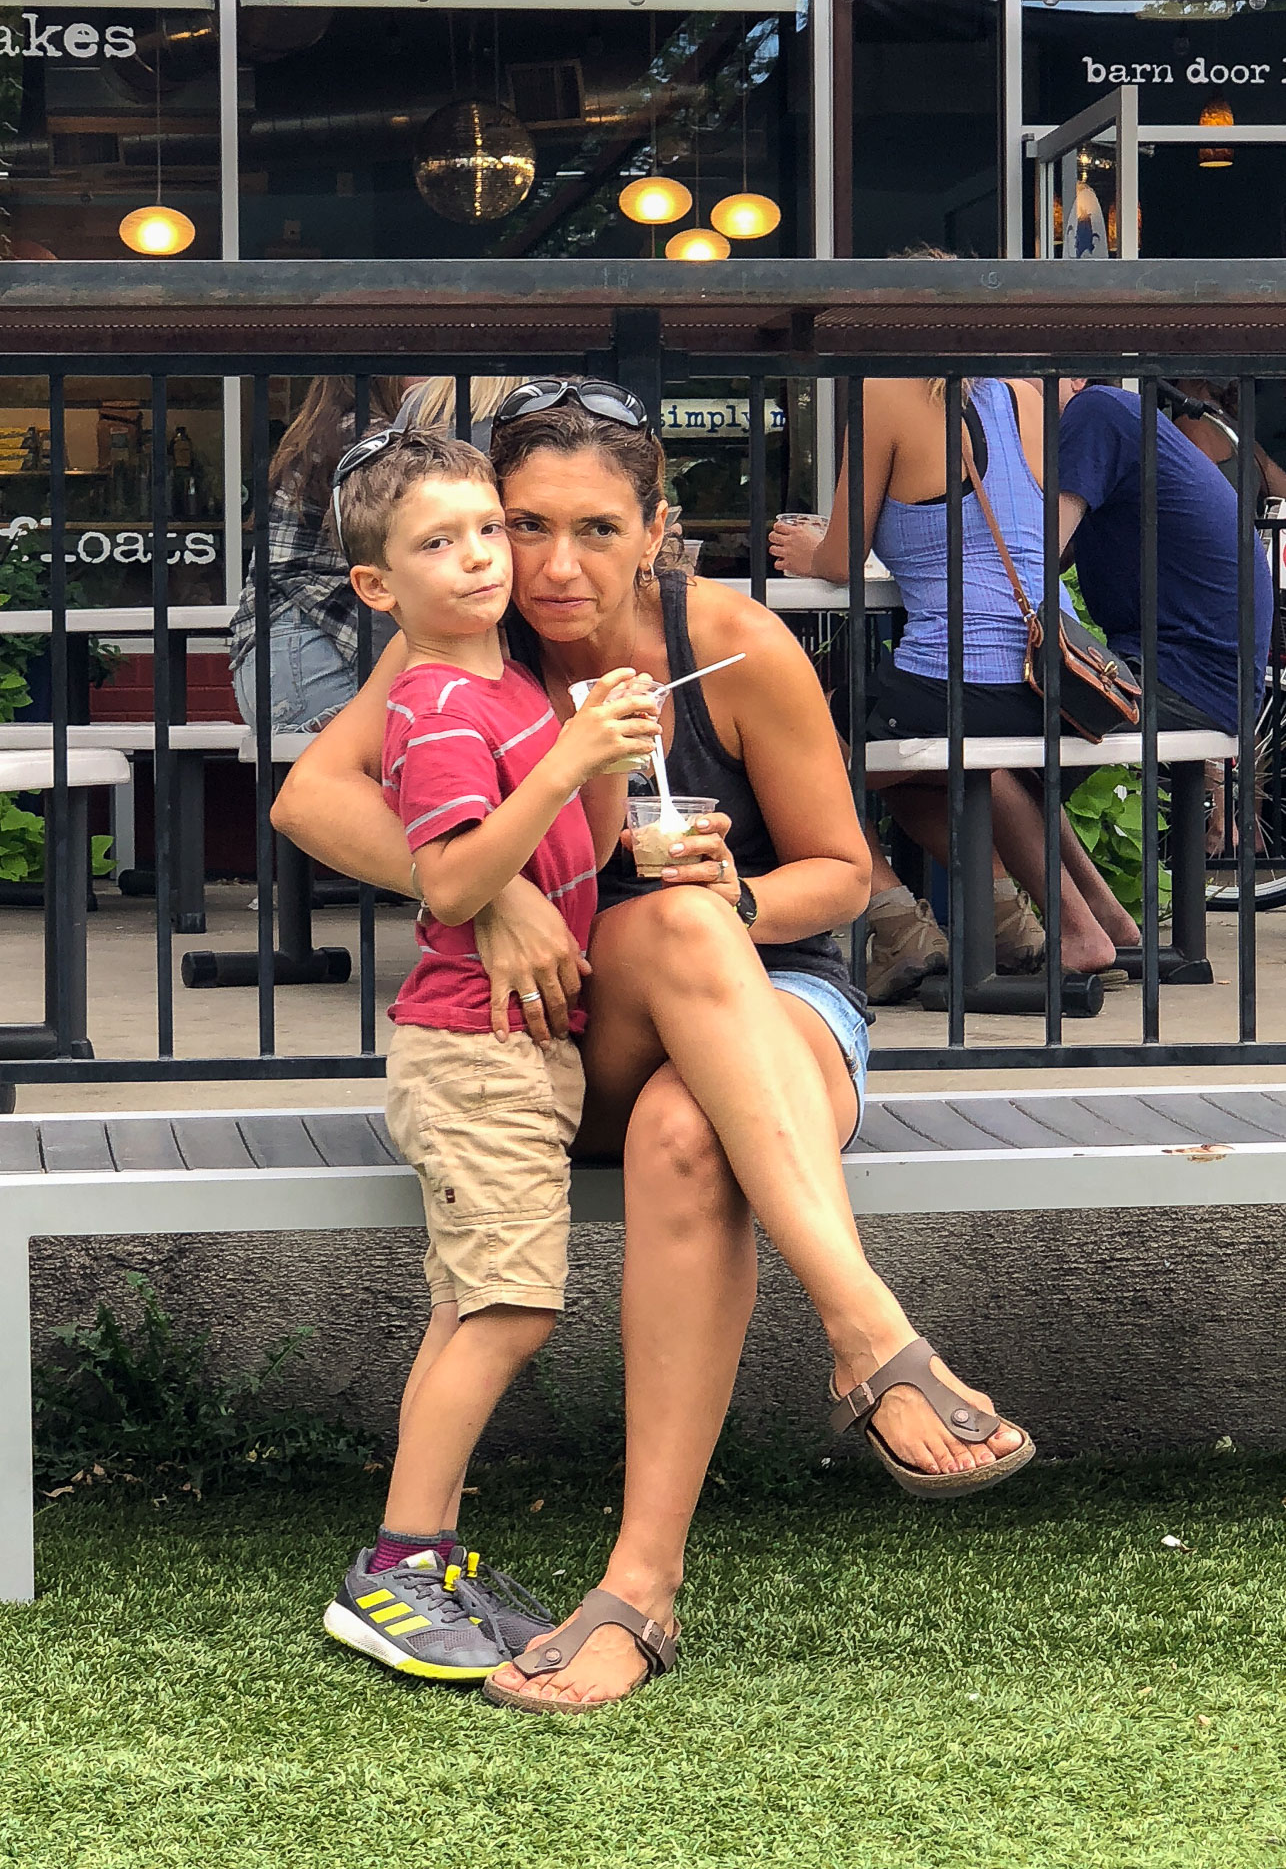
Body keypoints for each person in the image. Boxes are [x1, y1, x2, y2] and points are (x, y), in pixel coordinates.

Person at [274, 376, 1034, 1717]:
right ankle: (868, 1334)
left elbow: (841, 876)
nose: (553, 566)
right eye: (524, 524)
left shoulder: (729, 642)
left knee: (691, 1111)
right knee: (671, 937)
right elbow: (309, 800)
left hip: (776, 1000)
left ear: (656, 528)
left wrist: (734, 894)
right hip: (578, 1027)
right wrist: (494, 895)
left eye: (597, 530)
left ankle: (639, 1586)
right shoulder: (466, 629)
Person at [318, 420, 662, 1684]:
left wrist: (604, 752)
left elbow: (583, 845)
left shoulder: (513, 687)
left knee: (471, 1305)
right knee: (511, 1309)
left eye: (483, 531)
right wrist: (566, 758)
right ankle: (395, 1570)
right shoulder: (435, 704)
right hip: (473, 1051)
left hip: (516, 1047)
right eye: (436, 543)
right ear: (377, 586)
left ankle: (427, 1553)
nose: (477, 558)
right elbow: (457, 880)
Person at [771, 373, 1141, 999]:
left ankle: (898, 921)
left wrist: (809, 551)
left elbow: (840, 560)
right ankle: (1025, 921)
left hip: (963, 676)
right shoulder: (1027, 396)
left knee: (791, 745)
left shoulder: (885, 394)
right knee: (917, 775)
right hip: (1056, 678)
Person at [228, 372, 522, 732]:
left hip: (270, 655)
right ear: (383, 377)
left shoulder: (328, 432)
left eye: (492, 528)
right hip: (311, 653)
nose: (434, 372)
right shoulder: (381, 442)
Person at [1058, 380, 1273, 739]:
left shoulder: (1093, 412)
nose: (1003, 387)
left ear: (1074, 379)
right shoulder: (1122, 420)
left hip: (1181, 677)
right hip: (1212, 681)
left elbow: (1036, 556)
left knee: (997, 716)